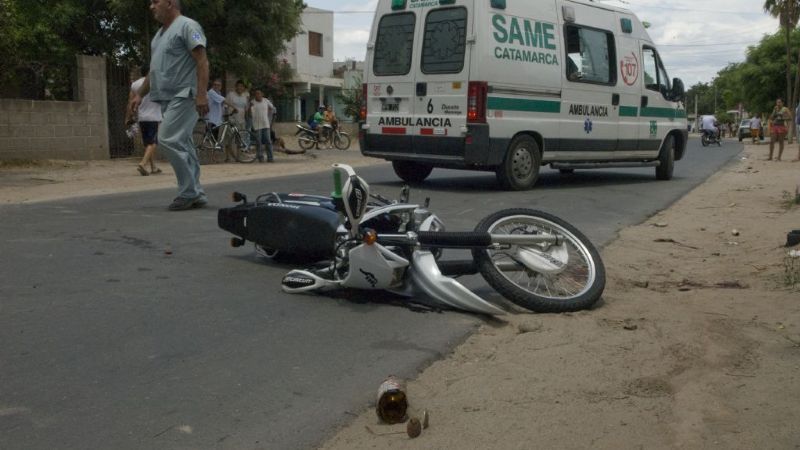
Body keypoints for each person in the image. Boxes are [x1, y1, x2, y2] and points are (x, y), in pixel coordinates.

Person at [131, 0, 209, 211]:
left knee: (166, 139)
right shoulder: (158, 36)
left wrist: (202, 95)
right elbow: (154, 71)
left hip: (186, 95)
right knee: (182, 143)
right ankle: (196, 192)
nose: (151, 6)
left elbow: (202, 61)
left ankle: (188, 192)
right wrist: (140, 95)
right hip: (167, 98)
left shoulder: (188, 27)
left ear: (170, 3)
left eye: (156, 2)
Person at [125, 64, 162, 176]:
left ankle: (153, 167)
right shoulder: (155, 83)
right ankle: (143, 163)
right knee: (153, 143)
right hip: (154, 117)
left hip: (141, 118)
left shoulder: (135, 84)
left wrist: (128, 117)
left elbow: (130, 102)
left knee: (148, 143)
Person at [205, 78, 238, 160]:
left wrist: (227, 110)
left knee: (215, 140)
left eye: (218, 85)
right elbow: (223, 100)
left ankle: (213, 158)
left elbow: (222, 105)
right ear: (212, 86)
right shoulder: (211, 92)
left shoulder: (218, 93)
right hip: (211, 119)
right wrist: (234, 107)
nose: (216, 86)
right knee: (211, 140)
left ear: (221, 86)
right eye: (215, 85)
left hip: (217, 120)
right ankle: (211, 158)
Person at [249, 88, 276, 162]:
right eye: (256, 94)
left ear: (262, 94)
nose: (257, 95)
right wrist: (250, 107)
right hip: (257, 125)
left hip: (266, 124)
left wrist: (271, 120)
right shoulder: (252, 102)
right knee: (258, 142)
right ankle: (260, 157)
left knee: (268, 141)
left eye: (259, 93)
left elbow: (273, 109)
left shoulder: (266, 101)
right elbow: (249, 114)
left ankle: (270, 158)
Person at [225, 79, 250, 159]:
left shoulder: (245, 96)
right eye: (238, 86)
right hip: (231, 120)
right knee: (229, 139)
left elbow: (246, 109)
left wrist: (246, 119)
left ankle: (238, 157)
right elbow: (225, 105)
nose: (240, 88)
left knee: (239, 139)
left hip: (241, 121)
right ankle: (227, 157)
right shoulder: (230, 94)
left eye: (242, 86)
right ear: (236, 87)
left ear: (243, 88)